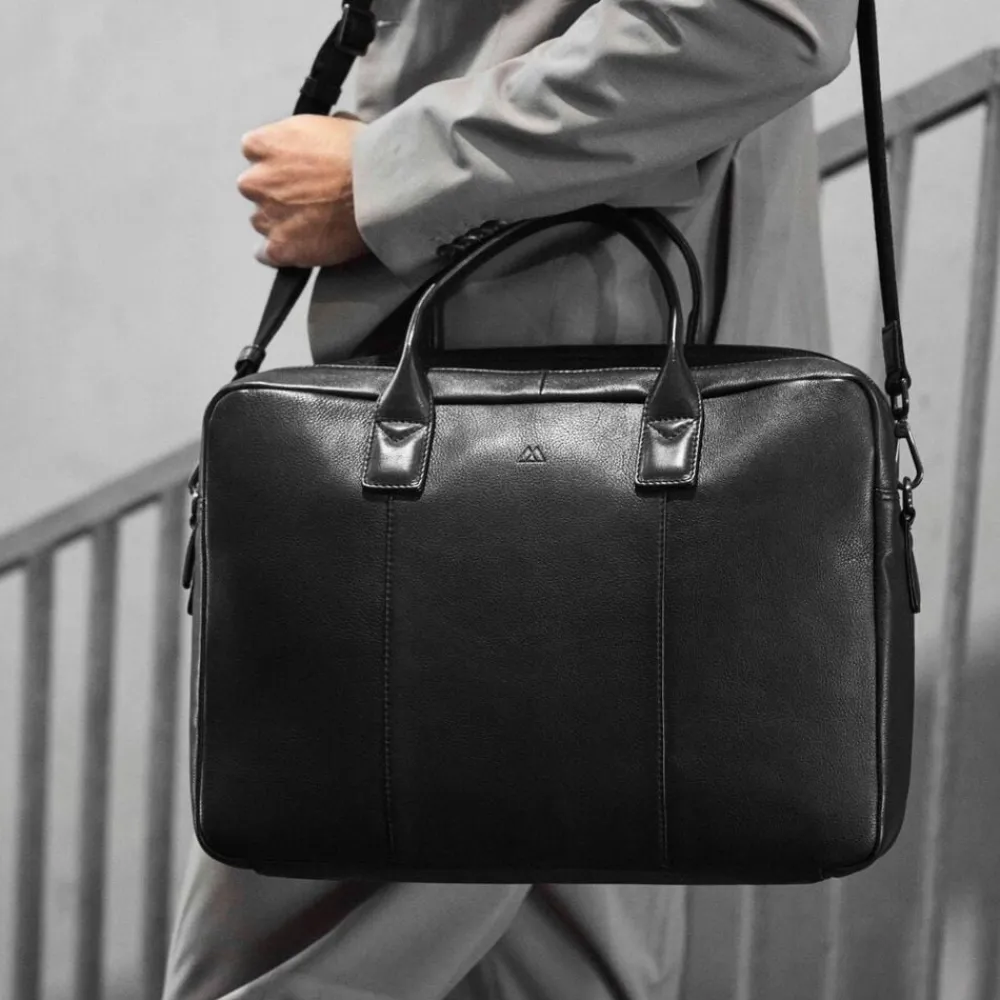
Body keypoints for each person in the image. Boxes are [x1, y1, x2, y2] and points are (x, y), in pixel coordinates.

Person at [162, 1, 860, 997]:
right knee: (561, 950)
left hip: (533, 409)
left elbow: (757, 20)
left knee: (302, 939)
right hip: (562, 410)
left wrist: (385, 173)